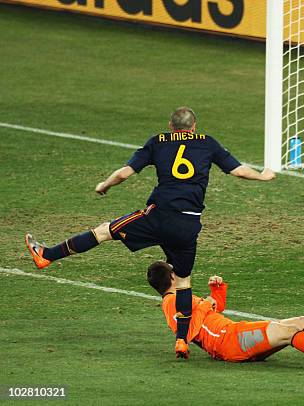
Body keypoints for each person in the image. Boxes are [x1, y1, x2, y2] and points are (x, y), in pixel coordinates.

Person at [25, 107, 276, 358]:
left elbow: (125, 173)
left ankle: (47, 255)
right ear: (194, 126)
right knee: (183, 282)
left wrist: (105, 185)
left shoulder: (158, 142)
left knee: (103, 232)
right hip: (187, 225)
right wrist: (263, 177)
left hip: (156, 217)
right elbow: (239, 171)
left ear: (170, 125)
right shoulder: (207, 143)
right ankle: (181, 341)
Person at [147, 261, 304, 370]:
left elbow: (212, 311)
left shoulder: (183, 297)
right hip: (228, 341)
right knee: (289, 332)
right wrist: (206, 304)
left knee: (299, 321)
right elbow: (187, 329)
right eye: (174, 270)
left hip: (232, 334)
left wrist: (215, 291)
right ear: (170, 279)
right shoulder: (170, 302)